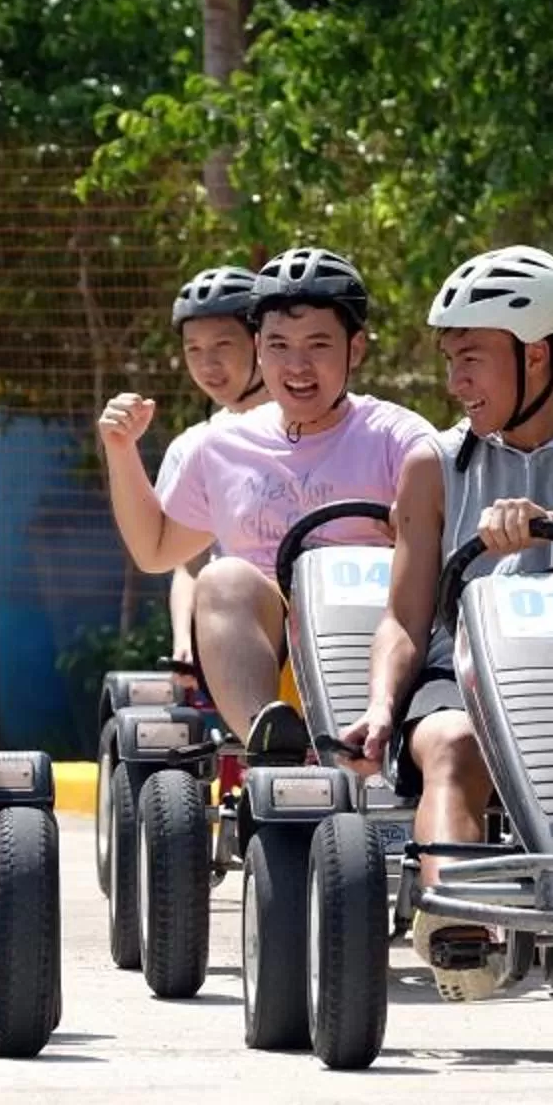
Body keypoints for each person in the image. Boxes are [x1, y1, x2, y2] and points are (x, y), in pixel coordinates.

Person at [338, 245, 553, 999]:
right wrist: (381, 708)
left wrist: (549, 522)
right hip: (458, 680)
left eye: (473, 359)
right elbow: (403, 614)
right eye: (449, 359)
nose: (455, 381)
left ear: (537, 355)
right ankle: (460, 921)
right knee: (451, 744)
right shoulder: (435, 465)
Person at [97, 246, 437, 755]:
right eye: (278, 345)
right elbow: (155, 550)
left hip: (376, 639)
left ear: (356, 348)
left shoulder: (401, 439)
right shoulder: (219, 445)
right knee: (223, 576)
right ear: (259, 349)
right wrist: (121, 451)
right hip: (268, 650)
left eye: (318, 344)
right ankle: (271, 740)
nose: (296, 366)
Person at [148, 266, 270, 699]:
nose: (207, 364)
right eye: (193, 349)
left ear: (260, 343)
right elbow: (188, 562)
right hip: (241, 635)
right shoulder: (193, 447)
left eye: (222, 345)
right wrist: (185, 640)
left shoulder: (319, 429)